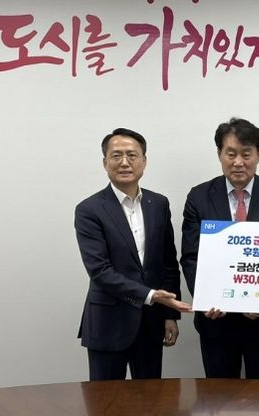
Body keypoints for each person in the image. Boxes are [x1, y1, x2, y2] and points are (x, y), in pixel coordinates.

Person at [75, 127, 191, 381]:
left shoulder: (158, 204)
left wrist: (170, 315)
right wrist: (151, 295)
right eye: (116, 155)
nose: (125, 162)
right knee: (105, 400)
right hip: (108, 322)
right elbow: (100, 271)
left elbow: (168, 263)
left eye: (132, 155)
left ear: (144, 161)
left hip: (151, 323)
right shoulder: (89, 209)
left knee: (151, 398)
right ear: (104, 162)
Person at [181, 117, 259, 379]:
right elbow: (191, 257)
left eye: (246, 154)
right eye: (231, 154)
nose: (238, 162)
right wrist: (209, 297)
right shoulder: (199, 196)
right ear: (219, 154)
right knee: (219, 397)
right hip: (217, 321)